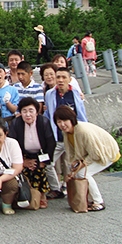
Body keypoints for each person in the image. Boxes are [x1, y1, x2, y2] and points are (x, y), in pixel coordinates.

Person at [54, 105, 120, 211]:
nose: (62, 124)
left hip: (107, 153)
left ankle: (98, 202)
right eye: (59, 122)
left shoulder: (81, 131)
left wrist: (81, 164)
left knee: (84, 173)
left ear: (71, 119)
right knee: (80, 172)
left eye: (65, 120)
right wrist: (75, 163)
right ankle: (88, 200)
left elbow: (95, 154)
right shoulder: (67, 132)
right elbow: (73, 151)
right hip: (93, 155)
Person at [44, 67, 88, 200]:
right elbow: (48, 114)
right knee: (48, 163)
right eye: (58, 77)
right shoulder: (50, 94)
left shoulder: (74, 93)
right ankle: (56, 188)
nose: (60, 80)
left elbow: (81, 115)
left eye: (64, 77)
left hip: (72, 137)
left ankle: (74, 190)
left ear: (70, 79)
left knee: (74, 164)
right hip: (57, 136)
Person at [9, 97, 56, 210]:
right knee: (25, 170)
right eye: (24, 111)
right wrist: (22, 162)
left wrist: (44, 162)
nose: (28, 114)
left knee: (38, 169)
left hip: (40, 154)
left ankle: (42, 195)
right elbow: (12, 144)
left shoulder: (44, 122)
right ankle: (25, 195)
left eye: (31, 110)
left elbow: (51, 143)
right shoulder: (16, 123)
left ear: (37, 111)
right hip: (22, 154)